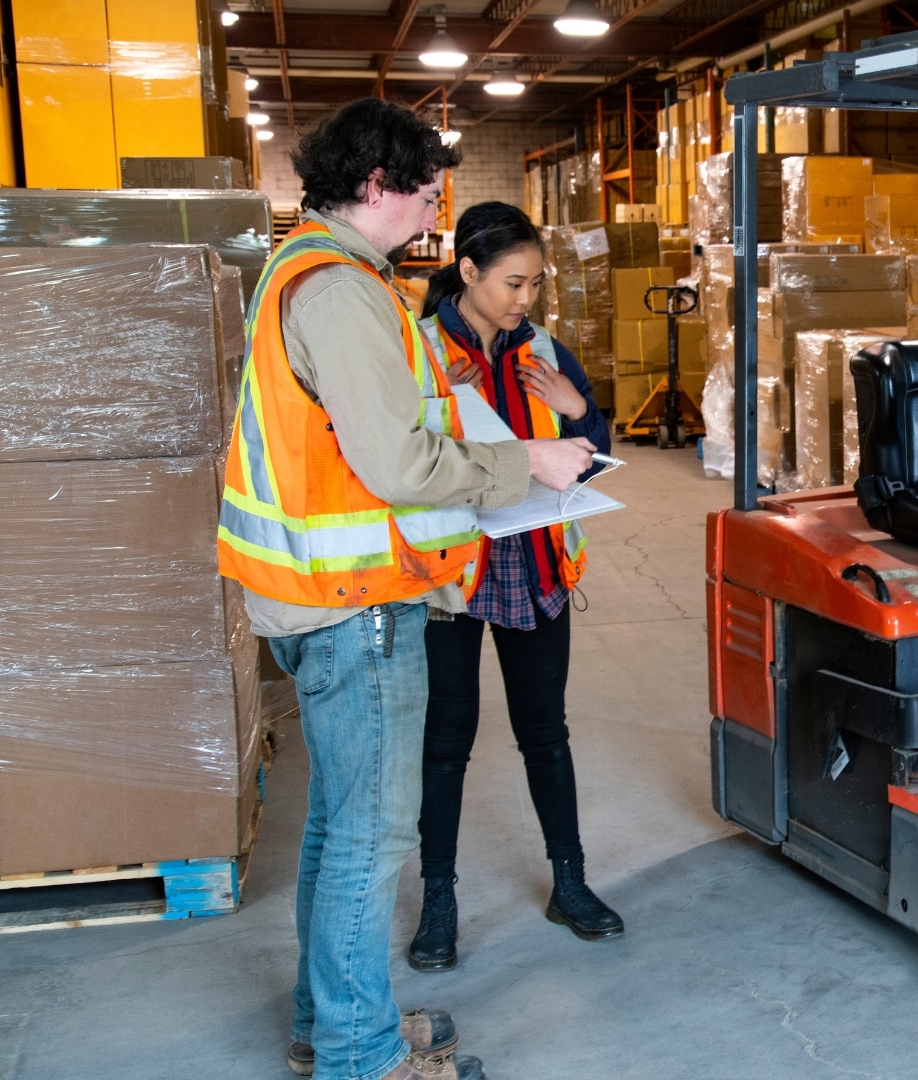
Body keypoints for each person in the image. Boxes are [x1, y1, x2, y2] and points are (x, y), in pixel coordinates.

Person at [216, 99, 594, 1080]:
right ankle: (360, 1056)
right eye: (427, 193)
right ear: (377, 185)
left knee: (342, 829)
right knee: (370, 843)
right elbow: (395, 463)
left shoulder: (317, 270)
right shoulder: (339, 289)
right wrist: (526, 467)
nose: (434, 212)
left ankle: (330, 1021)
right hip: (354, 606)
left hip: (322, 596)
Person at [405, 202, 624, 974]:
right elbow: (394, 463)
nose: (524, 299)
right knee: (445, 744)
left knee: (545, 732)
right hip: (453, 576)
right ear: (467, 272)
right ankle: (439, 900)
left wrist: (581, 411)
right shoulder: (419, 349)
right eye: (511, 283)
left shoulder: (545, 351)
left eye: (534, 284)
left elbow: (589, 456)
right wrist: (436, 405)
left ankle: (570, 881)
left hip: (533, 566)